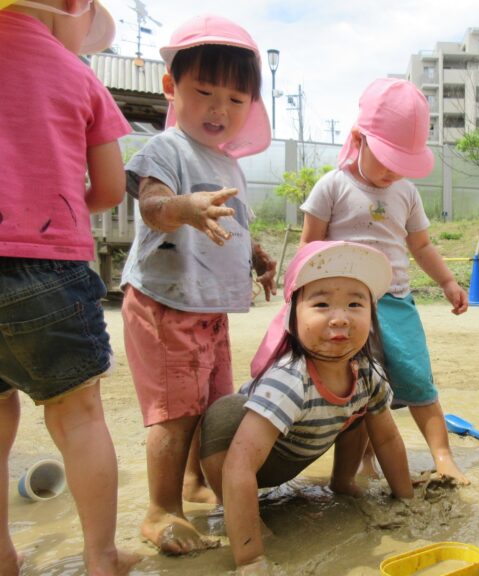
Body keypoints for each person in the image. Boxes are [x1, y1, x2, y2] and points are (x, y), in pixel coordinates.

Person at [119, 14, 277, 555]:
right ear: (172, 88)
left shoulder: (229, 165)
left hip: (208, 310)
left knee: (213, 405)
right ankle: (161, 509)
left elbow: (236, 225)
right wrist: (183, 207)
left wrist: (258, 259)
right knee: (175, 410)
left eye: (236, 100)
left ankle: (194, 483)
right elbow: (155, 207)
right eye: (204, 92)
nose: (219, 109)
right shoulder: (167, 149)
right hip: (165, 305)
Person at [0, 1, 141, 574]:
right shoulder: (77, 74)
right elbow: (109, 187)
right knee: (78, 416)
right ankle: (101, 557)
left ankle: (4, 557)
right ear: (69, 7)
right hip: (46, 267)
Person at [292, 78, 469, 484]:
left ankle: (443, 457)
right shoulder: (333, 186)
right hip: (347, 308)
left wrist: (447, 283)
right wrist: (301, 304)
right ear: (358, 139)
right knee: (358, 385)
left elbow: (421, 246)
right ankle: (364, 460)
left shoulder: (405, 192)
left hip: (396, 303)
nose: (392, 172)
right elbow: (309, 248)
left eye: (402, 164)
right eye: (386, 159)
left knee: (416, 377)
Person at [199, 240, 414, 574]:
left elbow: (386, 440)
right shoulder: (289, 380)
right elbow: (239, 466)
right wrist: (251, 558)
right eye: (322, 304)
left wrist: (406, 501)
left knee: (360, 411)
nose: (340, 318)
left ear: (372, 317)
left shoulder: (368, 373)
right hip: (248, 459)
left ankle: (343, 482)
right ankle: (234, 508)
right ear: (291, 317)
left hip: (300, 445)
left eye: (356, 304)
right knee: (225, 413)